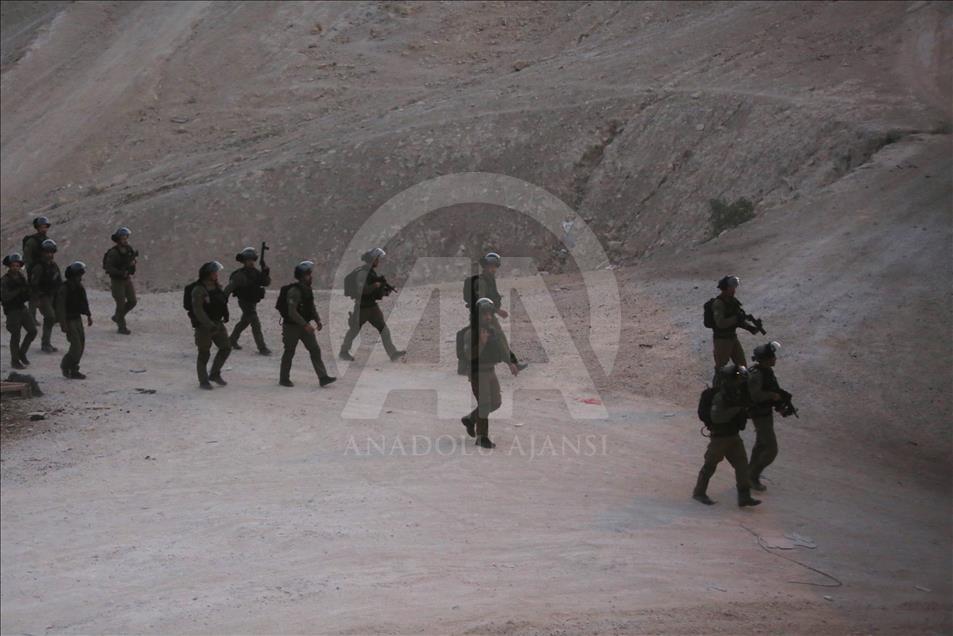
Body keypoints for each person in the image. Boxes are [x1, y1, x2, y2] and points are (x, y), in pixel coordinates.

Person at [693, 363, 761, 507]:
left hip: (733, 436)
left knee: (742, 465)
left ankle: (744, 496)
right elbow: (717, 417)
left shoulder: (735, 394)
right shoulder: (720, 397)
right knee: (710, 465)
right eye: (737, 378)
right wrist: (737, 409)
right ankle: (699, 492)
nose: (739, 381)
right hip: (720, 438)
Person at [464, 252, 527, 375]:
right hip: (482, 315)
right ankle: (511, 364)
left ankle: (512, 363)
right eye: (491, 266)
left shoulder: (490, 279)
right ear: (485, 267)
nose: (493, 269)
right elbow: (481, 302)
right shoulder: (482, 282)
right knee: (493, 338)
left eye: (495, 267)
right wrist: (497, 311)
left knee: (496, 338)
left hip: (487, 314)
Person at [339, 247, 405, 362]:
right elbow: (362, 290)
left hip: (372, 307)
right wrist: (375, 285)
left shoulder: (371, 272)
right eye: (377, 259)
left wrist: (384, 291)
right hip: (362, 308)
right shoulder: (362, 273)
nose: (378, 261)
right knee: (354, 330)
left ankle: (392, 353)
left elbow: (375, 291)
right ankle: (343, 352)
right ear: (372, 259)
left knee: (384, 329)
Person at [461, 297, 510, 449]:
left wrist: (511, 363)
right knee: (484, 404)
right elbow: (469, 356)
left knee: (496, 403)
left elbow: (501, 347)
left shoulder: (492, 330)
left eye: (490, 314)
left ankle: (471, 418)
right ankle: (482, 437)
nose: (488, 317)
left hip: (491, 371)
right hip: (478, 373)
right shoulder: (470, 333)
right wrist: (481, 343)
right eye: (484, 314)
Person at [278, 261, 336, 388]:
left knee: (315, 349)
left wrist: (317, 320)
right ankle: (284, 378)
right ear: (302, 276)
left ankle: (323, 377)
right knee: (289, 352)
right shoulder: (294, 291)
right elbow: (292, 312)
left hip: (305, 326)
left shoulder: (307, 290)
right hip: (291, 327)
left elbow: (311, 307)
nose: (311, 277)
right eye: (308, 275)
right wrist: (305, 325)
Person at [747, 341, 788, 492]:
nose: (775, 359)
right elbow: (755, 395)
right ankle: (752, 476)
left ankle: (749, 474)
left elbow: (772, 388)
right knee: (771, 449)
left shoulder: (767, 371)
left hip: (765, 413)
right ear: (765, 359)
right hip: (759, 414)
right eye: (772, 357)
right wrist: (772, 395)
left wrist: (779, 404)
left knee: (760, 445)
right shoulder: (757, 374)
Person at [188, 261, 231, 390]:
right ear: (207, 274)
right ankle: (203, 380)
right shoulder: (199, 290)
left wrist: (225, 314)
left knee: (226, 348)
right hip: (204, 326)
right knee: (204, 353)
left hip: (217, 323)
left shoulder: (217, 287)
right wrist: (209, 324)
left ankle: (214, 374)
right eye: (214, 273)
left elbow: (222, 302)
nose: (216, 275)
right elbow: (198, 310)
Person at [709, 275, 760, 380]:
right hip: (722, 340)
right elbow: (720, 323)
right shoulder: (719, 303)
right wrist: (736, 318)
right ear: (725, 288)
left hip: (732, 338)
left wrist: (751, 328)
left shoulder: (732, 301)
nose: (734, 290)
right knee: (721, 368)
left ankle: (742, 385)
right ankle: (718, 387)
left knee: (742, 366)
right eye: (731, 288)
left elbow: (739, 320)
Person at [225, 246, 271, 354]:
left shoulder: (256, 272)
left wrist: (265, 272)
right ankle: (262, 348)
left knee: (244, 322)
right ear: (244, 261)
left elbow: (266, 282)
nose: (250, 262)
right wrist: (222, 300)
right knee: (255, 323)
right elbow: (229, 288)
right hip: (245, 302)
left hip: (253, 301)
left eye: (252, 260)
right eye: (248, 260)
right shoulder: (240, 275)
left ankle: (231, 340)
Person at [55, 261, 92, 379]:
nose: (80, 277)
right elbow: (60, 307)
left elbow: (84, 302)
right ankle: (67, 366)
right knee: (76, 346)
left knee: (81, 344)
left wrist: (88, 315)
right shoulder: (64, 288)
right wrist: (63, 323)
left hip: (77, 318)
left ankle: (74, 368)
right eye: (79, 275)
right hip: (69, 320)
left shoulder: (79, 287)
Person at [1, 253, 37, 370]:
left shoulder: (21, 277)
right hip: (12, 311)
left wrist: (29, 291)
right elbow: (5, 297)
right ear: (9, 266)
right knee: (16, 335)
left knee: (32, 331)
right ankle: (15, 360)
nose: (16, 268)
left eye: (17, 265)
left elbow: (26, 291)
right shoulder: (5, 280)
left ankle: (22, 353)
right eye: (13, 265)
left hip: (22, 308)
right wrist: (18, 291)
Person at [103, 226, 139, 335]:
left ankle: (117, 316)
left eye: (126, 237)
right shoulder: (113, 252)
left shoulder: (129, 249)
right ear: (118, 239)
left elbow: (132, 266)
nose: (125, 240)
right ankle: (121, 327)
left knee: (132, 301)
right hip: (117, 281)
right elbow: (108, 267)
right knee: (121, 304)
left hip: (127, 279)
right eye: (123, 238)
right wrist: (120, 272)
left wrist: (132, 265)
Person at [29, 239, 62, 353]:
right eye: (47, 252)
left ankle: (47, 342)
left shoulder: (53, 266)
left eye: (51, 252)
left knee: (53, 318)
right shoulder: (39, 266)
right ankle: (45, 344)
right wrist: (37, 299)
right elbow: (33, 284)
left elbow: (59, 281)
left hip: (52, 295)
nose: (49, 254)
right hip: (42, 296)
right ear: (42, 253)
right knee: (50, 317)